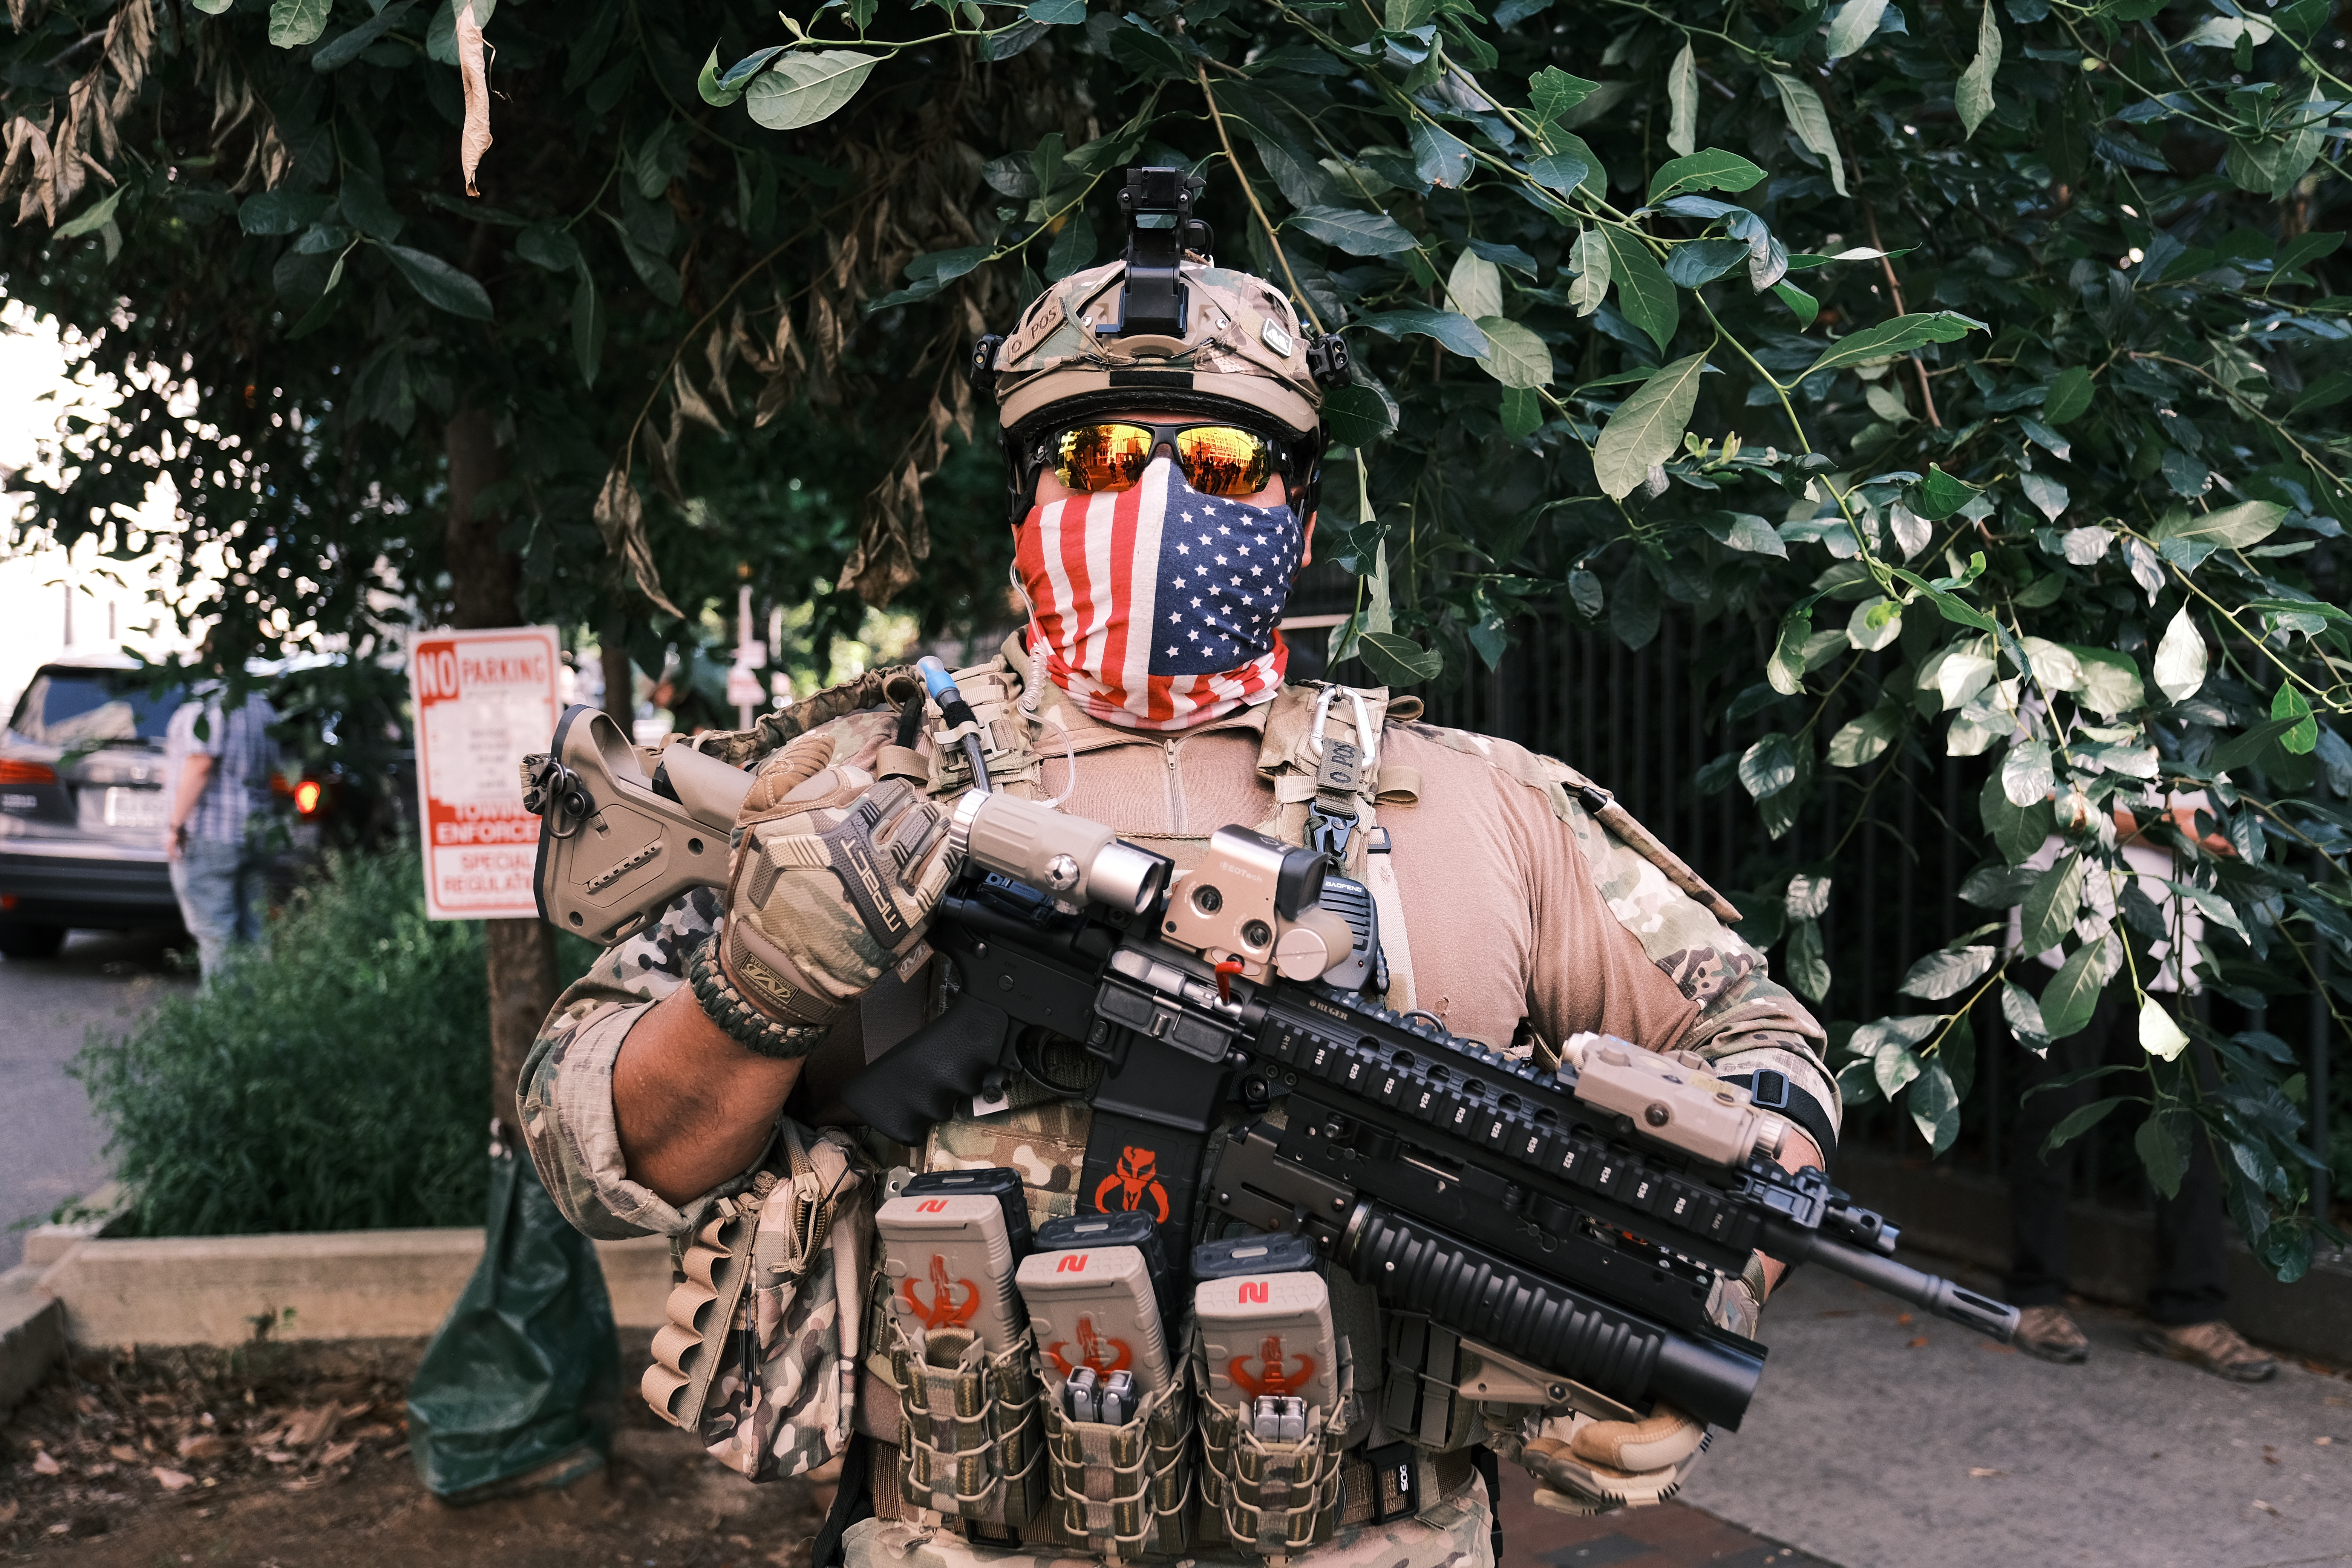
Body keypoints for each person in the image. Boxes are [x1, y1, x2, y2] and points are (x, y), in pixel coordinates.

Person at [521, 173, 1839, 1568]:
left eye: (1219, 461)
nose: (1155, 497)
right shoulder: (852, 790)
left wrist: (1699, 1293)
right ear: (1021, 505)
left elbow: (1762, 1054)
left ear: (1302, 518)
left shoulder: (1476, 806)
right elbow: (596, 1151)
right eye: (1093, 461)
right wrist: (758, 983)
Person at [2004, 794, 2274, 1381]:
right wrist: (2177, 833)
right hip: (2067, 943)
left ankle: (2188, 1310)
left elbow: (2204, 817)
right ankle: (2034, 1296)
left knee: (2188, 1128)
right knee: (2054, 1116)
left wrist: (2204, 838)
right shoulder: (2054, 697)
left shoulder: (2194, 714)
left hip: (2170, 954)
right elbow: (2050, 803)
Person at [161, 668, 279, 980]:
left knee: (216, 933)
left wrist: (175, 826)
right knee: (254, 932)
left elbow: (200, 763)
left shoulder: (207, 706)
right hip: (256, 833)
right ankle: (260, 1019)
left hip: (211, 832)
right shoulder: (262, 706)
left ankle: (222, 1021)